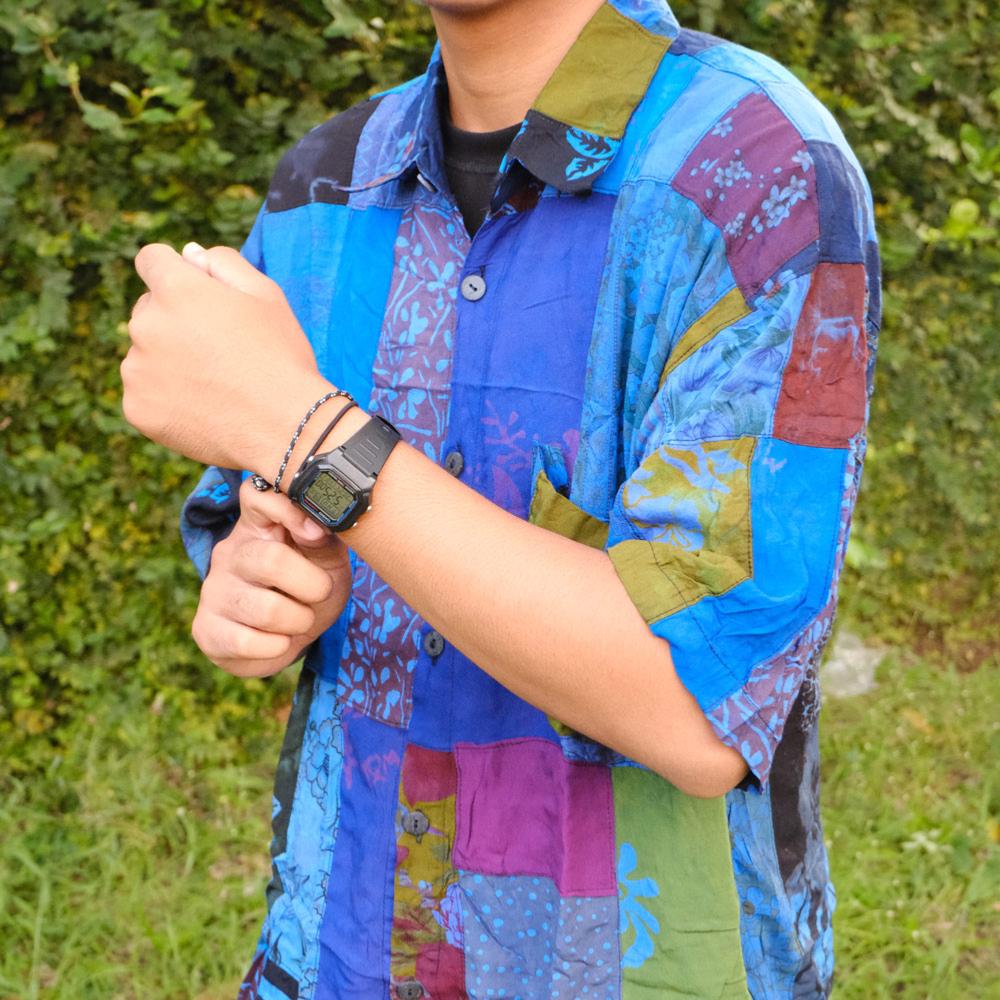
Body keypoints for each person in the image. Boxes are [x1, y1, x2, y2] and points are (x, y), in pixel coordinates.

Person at [120, 0, 880, 996]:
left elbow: (693, 710)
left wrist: (312, 438)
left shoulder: (756, 171)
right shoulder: (326, 181)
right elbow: (260, 518)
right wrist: (255, 587)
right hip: (337, 950)